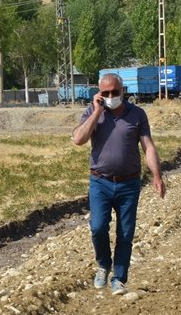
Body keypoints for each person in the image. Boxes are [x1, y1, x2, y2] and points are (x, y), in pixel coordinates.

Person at [71, 72, 166, 295]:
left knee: (125, 234)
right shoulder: (93, 112)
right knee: (98, 227)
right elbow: (78, 139)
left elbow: (148, 147)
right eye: (106, 93)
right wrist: (97, 111)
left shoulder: (137, 115)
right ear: (99, 93)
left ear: (123, 91)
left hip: (129, 184)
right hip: (100, 182)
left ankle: (119, 278)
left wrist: (157, 176)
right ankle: (104, 264)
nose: (111, 96)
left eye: (115, 92)